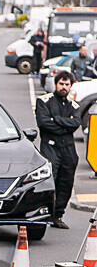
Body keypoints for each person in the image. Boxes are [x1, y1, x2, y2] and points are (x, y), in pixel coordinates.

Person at [35, 70, 80, 229]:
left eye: (67, 84)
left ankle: (58, 215)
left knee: (66, 183)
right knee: (49, 182)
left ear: (71, 86)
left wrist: (56, 120)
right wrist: (65, 123)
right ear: (56, 84)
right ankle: (44, 214)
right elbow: (43, 123)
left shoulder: (74, 105)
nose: (64, 87)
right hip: (50, 147)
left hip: (68, 150)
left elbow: (75, 124)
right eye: (61, 83)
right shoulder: (44, 101)